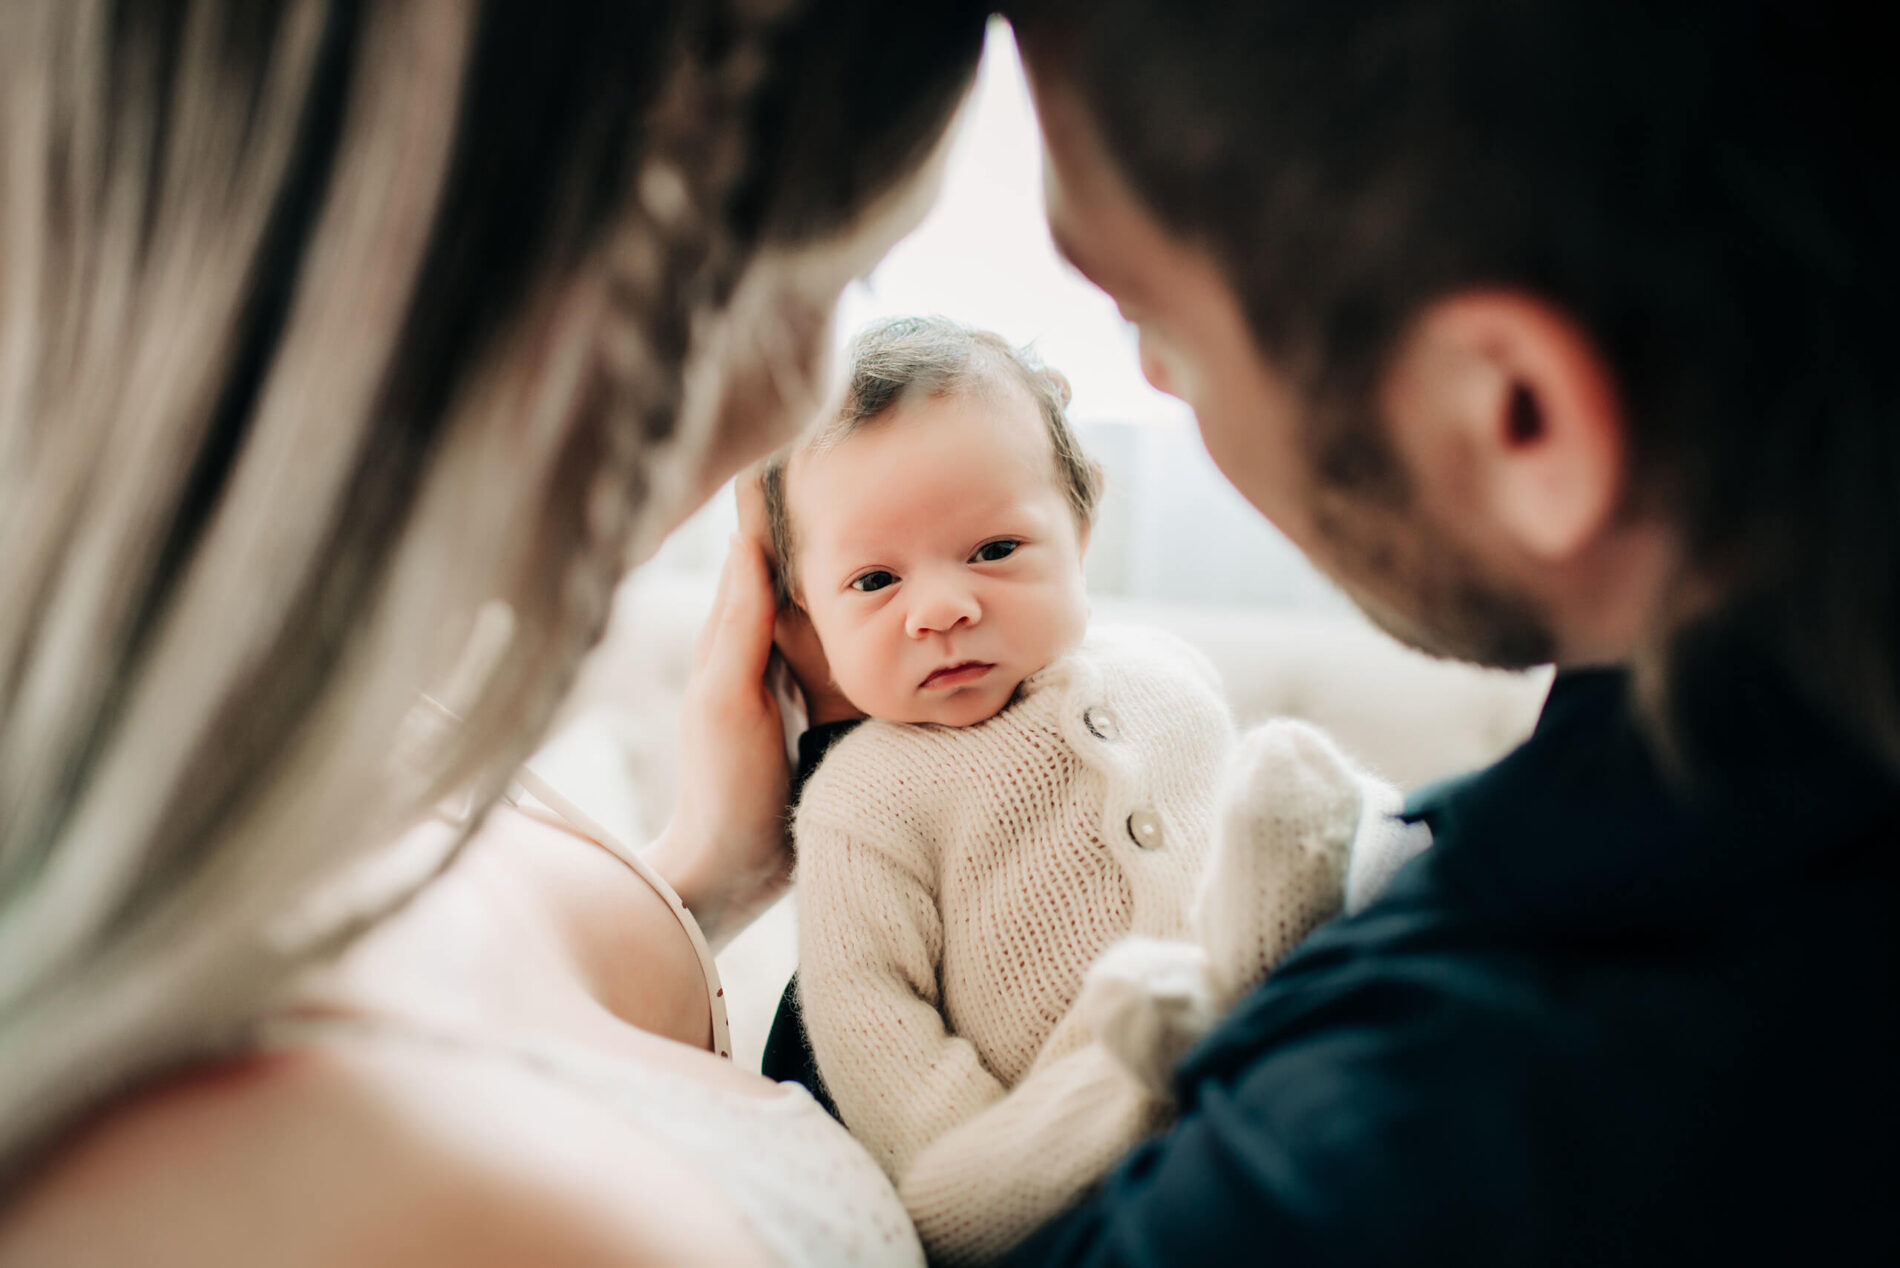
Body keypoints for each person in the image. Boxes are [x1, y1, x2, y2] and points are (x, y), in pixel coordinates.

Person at [0, 1, 992, 1264]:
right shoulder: (392, 1197)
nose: (801, 392)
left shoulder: (331, 733)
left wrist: (711, 870)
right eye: (832, 278)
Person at [963, 0, 1896, 1262]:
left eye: (1157, 318)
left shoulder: (1401, 1139)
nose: (1159, 382)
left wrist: (632, 938)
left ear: (1520, 417)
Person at [752, 315, 1421, 1263]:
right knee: (981, 1169)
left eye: (992, 550)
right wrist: (991, 1163)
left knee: (1333, 849)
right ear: (803, 614)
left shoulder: (1164, 674)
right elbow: (878, 1039)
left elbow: (1235, 828)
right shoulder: (862, 804)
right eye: (873, 580)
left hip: (1279, 1082)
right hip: (1051, 1163)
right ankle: (1175, 1047)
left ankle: (1306, 938)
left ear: (1082, 520)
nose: (942, 607)